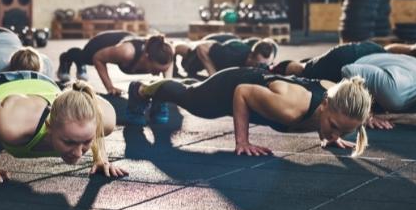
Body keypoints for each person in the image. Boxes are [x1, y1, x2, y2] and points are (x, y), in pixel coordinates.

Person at [0, 71, 126, 182]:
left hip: (41, 83)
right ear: (50, 125)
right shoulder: (13, 126)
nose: (78, 153)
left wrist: (101, 158)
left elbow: (92, 113)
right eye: (69, 142)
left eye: (86, 142)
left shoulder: (104, 119)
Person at [125, 66, 372, 157]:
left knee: (191, 91)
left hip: (260, 83)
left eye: (344, 131)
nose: (334, 133)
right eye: (334, 127)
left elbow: (342, 102)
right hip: (230, 85)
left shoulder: (337, 96)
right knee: (193, 101)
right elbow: (242, 91)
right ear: (325, 105)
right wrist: (242, 141)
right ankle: (142, 89)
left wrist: (334, 136)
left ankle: (158, 94)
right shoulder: (290, 109)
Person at [271, 41, 416, 127]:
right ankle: (273, 68)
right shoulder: (397, 93)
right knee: (303, 71)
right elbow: (349, 71)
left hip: (381, 60)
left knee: (310, 64)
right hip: (351, 58)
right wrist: (366, 113)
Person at [57, 31, 175, 95]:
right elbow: (98, 58)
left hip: (123, 41)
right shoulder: (126, 53)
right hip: (102, 43)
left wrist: (167, 86)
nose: (157, 74)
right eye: (156, 70)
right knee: (87, 58)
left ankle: (79, 64)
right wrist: (110, 87)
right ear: (146, 58)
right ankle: (66, 58)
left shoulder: (165, 53)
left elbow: (167, 68)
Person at [176, 35, 279, 78]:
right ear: (250, 57)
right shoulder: (231, 55)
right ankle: (172, 45)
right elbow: (201, 48)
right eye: (258, 64)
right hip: (213, 44)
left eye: (263, 65)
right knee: (190, 56)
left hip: (230, 41)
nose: (260, 68)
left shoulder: (260, 56)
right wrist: (214, 75)